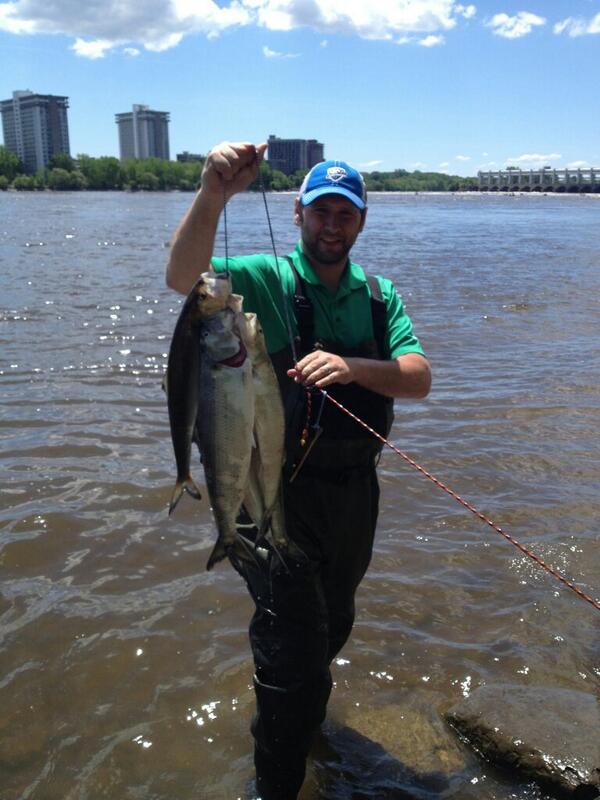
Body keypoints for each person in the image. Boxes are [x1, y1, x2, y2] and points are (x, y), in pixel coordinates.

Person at [166, 141, 431, 799]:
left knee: (331, 625)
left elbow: (418, 379)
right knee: (291, 647)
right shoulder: (264, 278)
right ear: (298, 215)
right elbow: (184, 278)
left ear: (361, 222)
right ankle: (275, 783)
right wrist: (214, 194)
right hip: (270, 494)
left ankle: (302, 727)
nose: (332, 225)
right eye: (321, 212)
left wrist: (352, 367)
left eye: (345, 214)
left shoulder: (378, 296)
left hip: (352, 499)